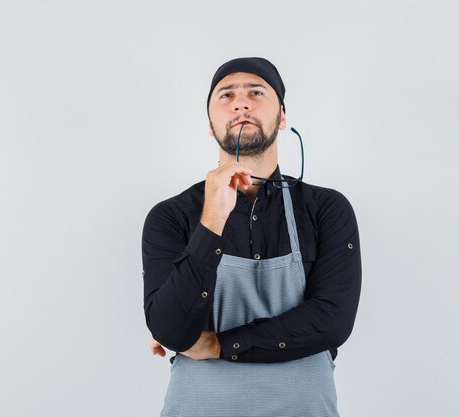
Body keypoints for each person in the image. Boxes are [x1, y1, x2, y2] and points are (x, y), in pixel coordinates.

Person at [141, 57, 362, 417]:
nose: (241, 103)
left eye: (256, 92)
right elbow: (171, 330)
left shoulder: (326, 209)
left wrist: (218, 344)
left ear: (283, 117)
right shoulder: (170, 216)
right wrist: (211, 219)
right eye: (226, 95)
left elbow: (332, 321)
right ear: (211, 126)